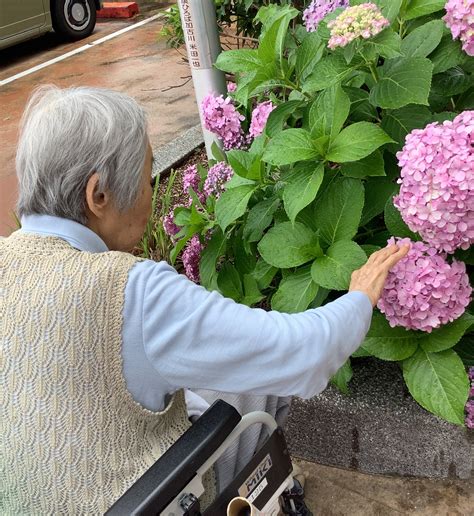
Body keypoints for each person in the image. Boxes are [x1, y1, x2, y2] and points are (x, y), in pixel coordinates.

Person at [0, 85, 409, 514]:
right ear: (98, 195)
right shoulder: (128, 291)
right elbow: (302, 352)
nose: (151, 193)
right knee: (258, 383)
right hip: (145, 498)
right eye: (146, 176)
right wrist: (361, 295)